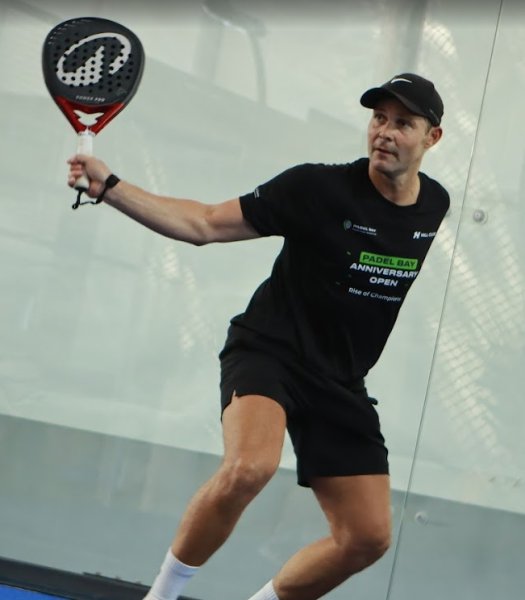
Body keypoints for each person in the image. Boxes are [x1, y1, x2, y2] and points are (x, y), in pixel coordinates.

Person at [67, 73, 448, 600]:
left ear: (432, 138)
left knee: (366, 538)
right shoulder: (316, 188)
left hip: (340, 379)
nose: (384, 132)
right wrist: (110, 188)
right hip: (270, 352)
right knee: (250, 467)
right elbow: (204, 223)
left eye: (403, 123)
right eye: (379, 118)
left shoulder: (435, 205)